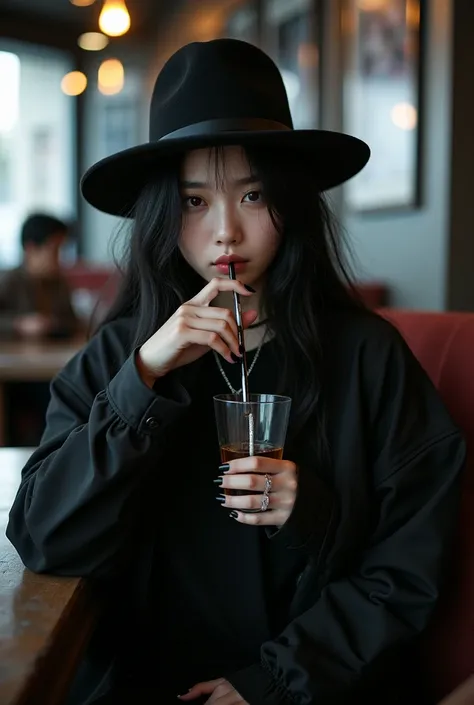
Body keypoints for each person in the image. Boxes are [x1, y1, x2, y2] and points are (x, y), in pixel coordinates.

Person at [6, 39, 465, 705]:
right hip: (140, 679)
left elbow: (409, 568)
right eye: (195, 202)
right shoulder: (117, 357)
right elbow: (45, 537)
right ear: (164, 212)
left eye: (252, 194)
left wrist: (272, 678)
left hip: (312, 687)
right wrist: (145, 376)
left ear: (291, 202)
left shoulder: (369, 357)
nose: (226, 231)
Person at [0, 212, 79, 340]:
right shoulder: (8, 281)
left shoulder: (59, 282)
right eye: (55, 250)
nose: (61, 258)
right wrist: (18, 325)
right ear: (31, 248)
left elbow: (73, 322)